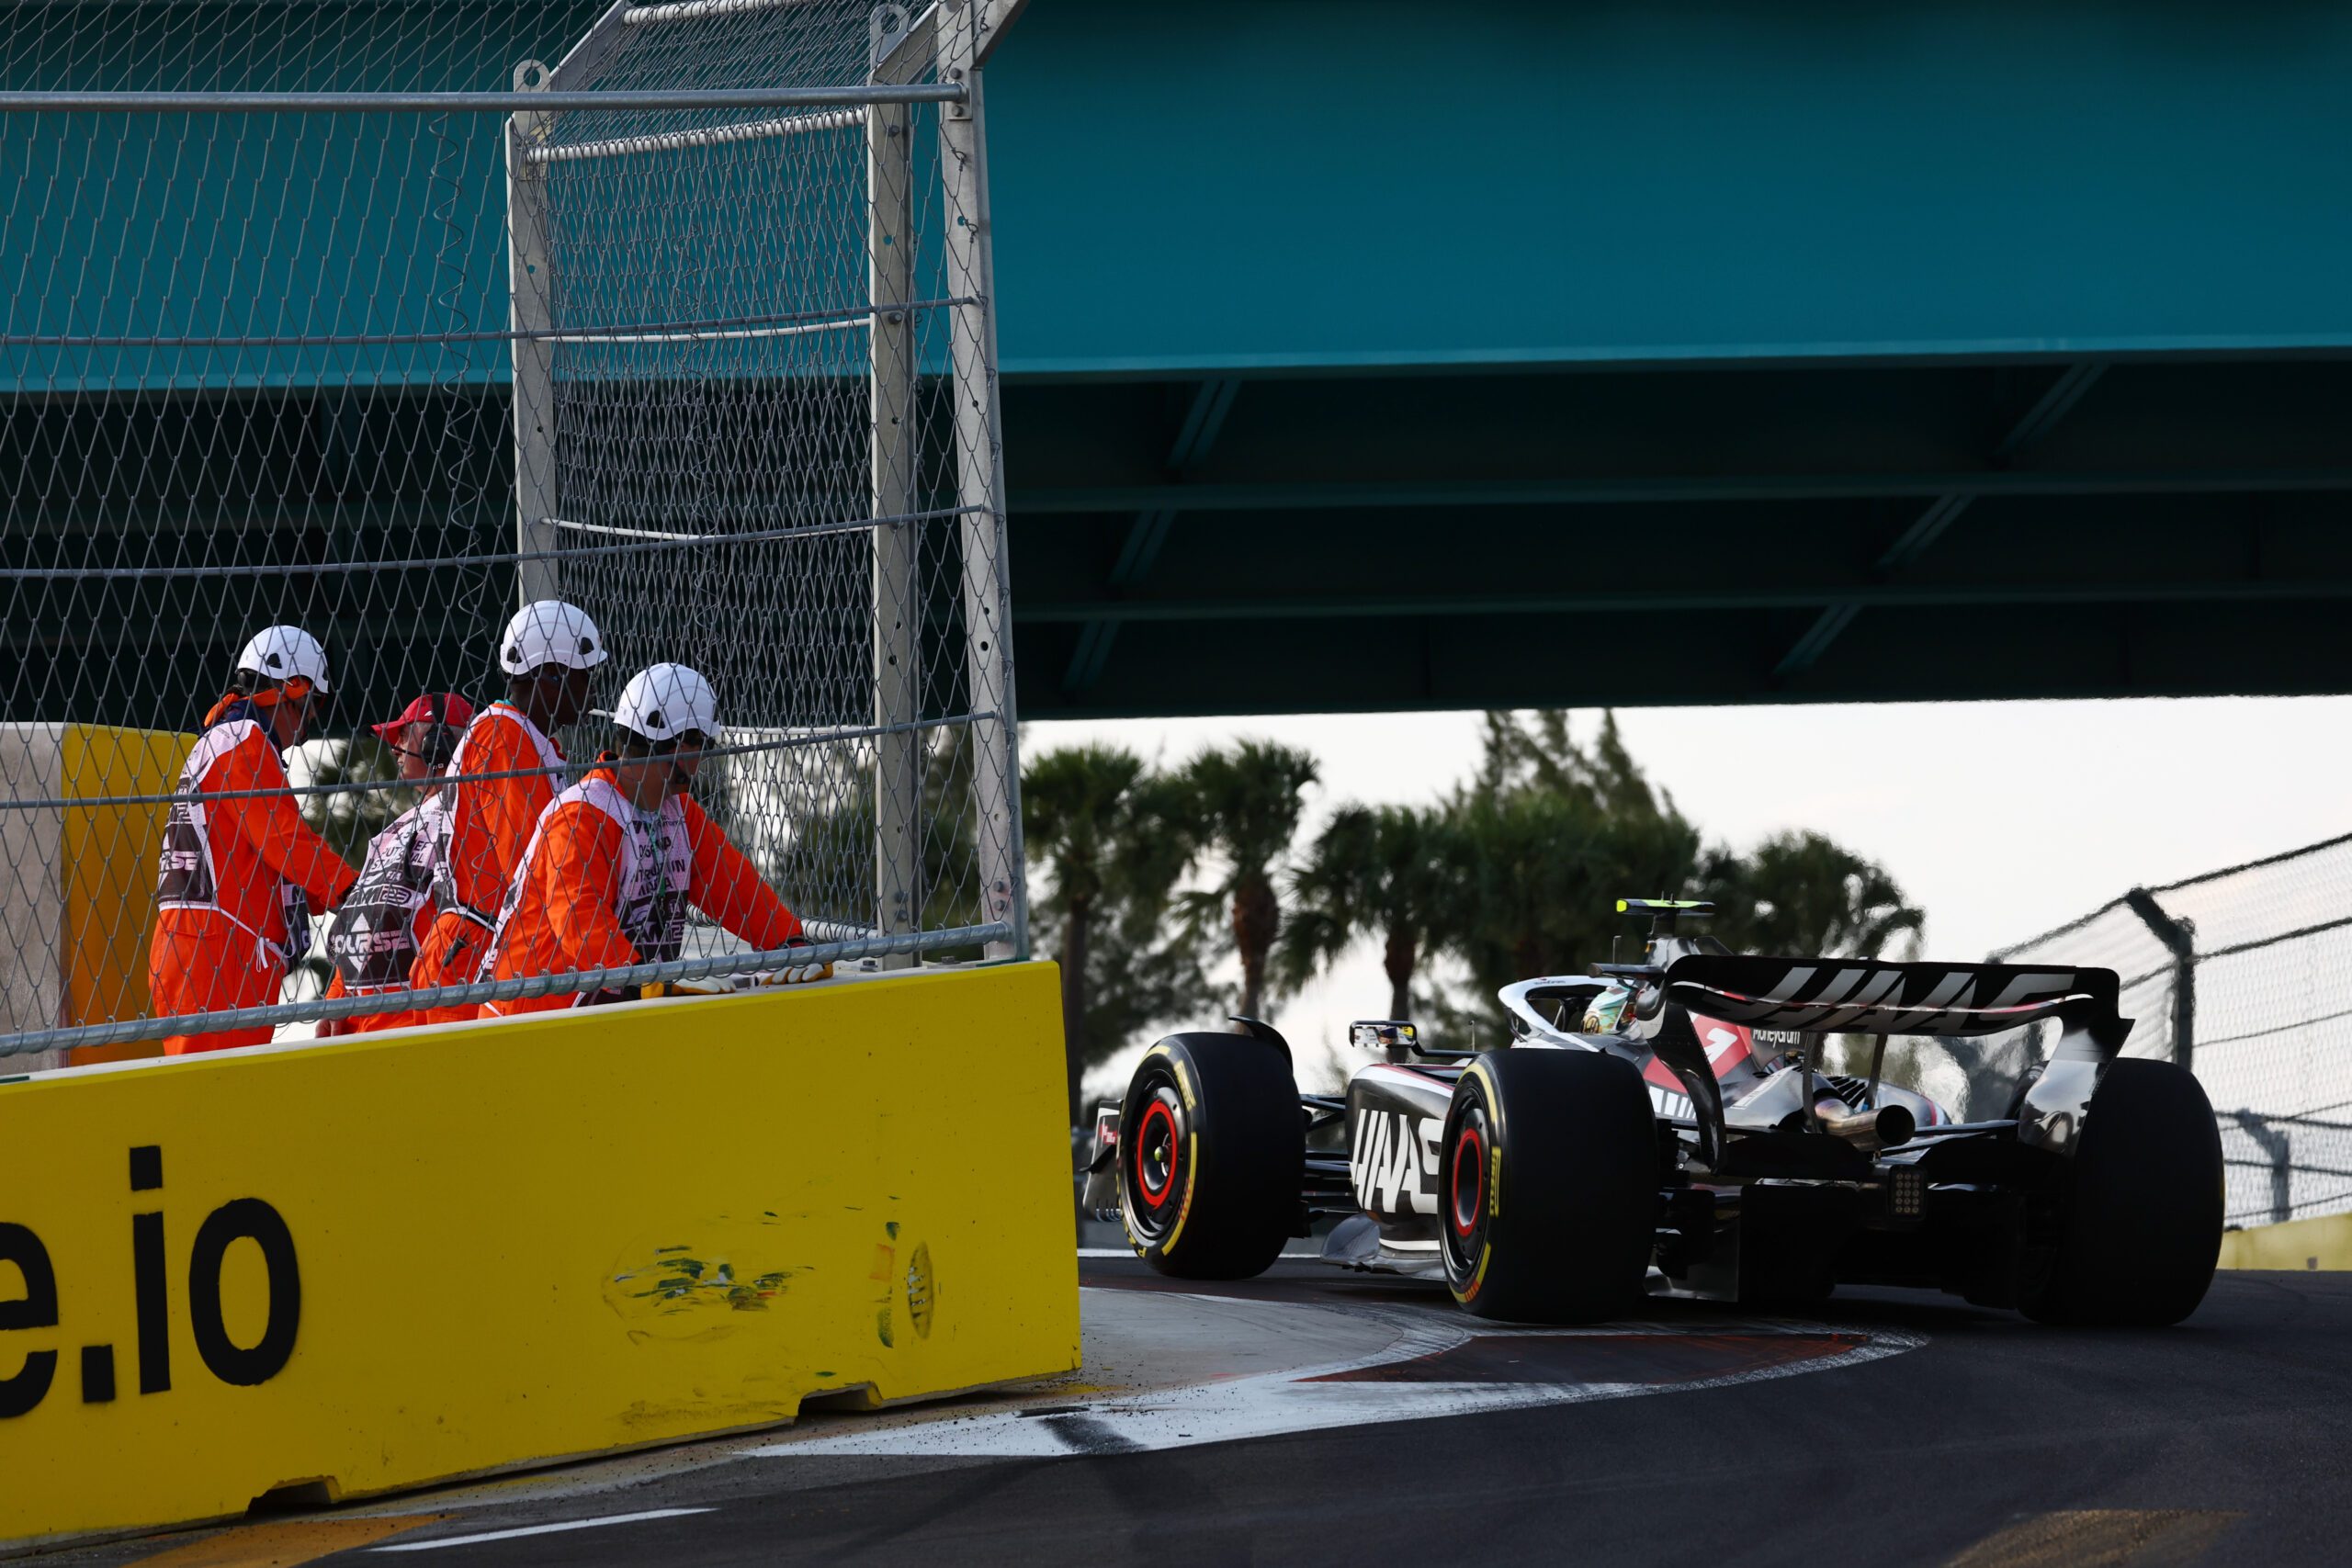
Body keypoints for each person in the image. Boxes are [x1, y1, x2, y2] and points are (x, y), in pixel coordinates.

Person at [478, 663, 829, 1018]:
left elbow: (729, 880)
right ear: (673, 745)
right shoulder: (582, 816)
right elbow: (578, 917)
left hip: (606, 1005)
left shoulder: (678, 813)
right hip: (528, 1014)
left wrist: (789, 943)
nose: (701, 761)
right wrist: (644, 979)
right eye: (698, 745)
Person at [151, 626, 360, 1055]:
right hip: (215, 958)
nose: (311, 720)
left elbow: (267, 858)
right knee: (217, 1101)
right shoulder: (243, 741)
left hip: (206, 950)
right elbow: (282, 838)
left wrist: (332, 892)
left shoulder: (229, 742)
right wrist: (350, 888)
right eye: (310, 703)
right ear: (286, 689)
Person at [406, 601, 605, 1022]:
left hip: (480, 949)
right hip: (468, 953)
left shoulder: (529, 741)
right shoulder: (504, 737)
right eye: (586, 676)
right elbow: (535, 866)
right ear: (550, 676)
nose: (594, 690)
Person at [317, 692, 477, 1037]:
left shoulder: (468, 821)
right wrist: (336, 996)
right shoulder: (397, 828)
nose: (395, 747)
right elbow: (364, 911)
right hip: (362, 1022)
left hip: (421, 1021)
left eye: (405, 735)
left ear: (439, 742)